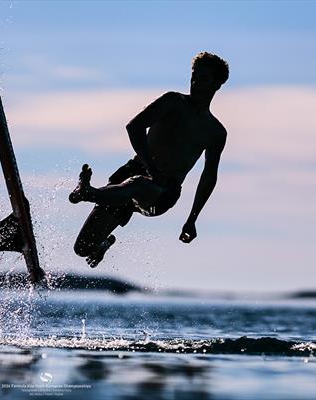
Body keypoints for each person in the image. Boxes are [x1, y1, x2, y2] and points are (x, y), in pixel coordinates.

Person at [69, 52, 229, 268]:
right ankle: (102, 245)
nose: (195, 83)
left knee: (138, 184)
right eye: (193, 76)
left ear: (217, 85)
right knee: (82, 248)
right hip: (132, 174)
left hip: (164, 191)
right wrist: (150, 166)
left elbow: (208, 176)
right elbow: (134, 127)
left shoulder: (215, 132)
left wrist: (192, 219)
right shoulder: (173, 101)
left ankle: (89, 193)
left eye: (203, 79)